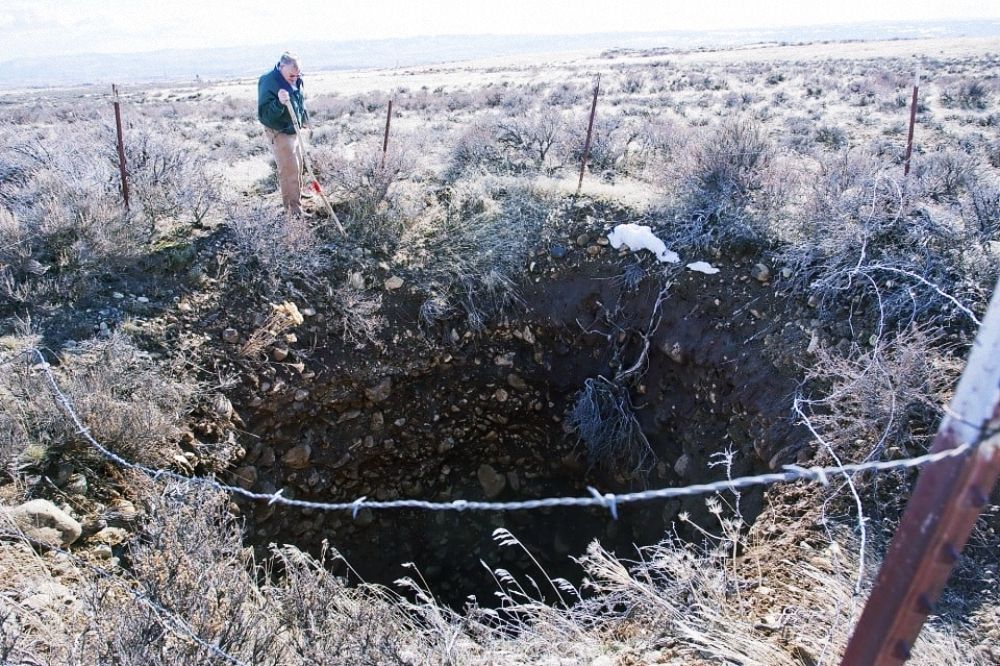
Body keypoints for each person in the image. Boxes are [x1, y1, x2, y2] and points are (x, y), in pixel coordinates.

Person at [258, 52, 309, 215]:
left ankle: (297, 199)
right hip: (280, 131)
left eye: (297, 75)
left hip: (294, 129)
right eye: (291, 75)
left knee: (299, 166)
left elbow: (299, 101)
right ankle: (292, 211)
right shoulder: (268, 81)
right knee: (289, 170)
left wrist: (304, 120)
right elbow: (264, 115)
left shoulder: (295, 78)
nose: (294, 78)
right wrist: (279, 103)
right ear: (281, 67)